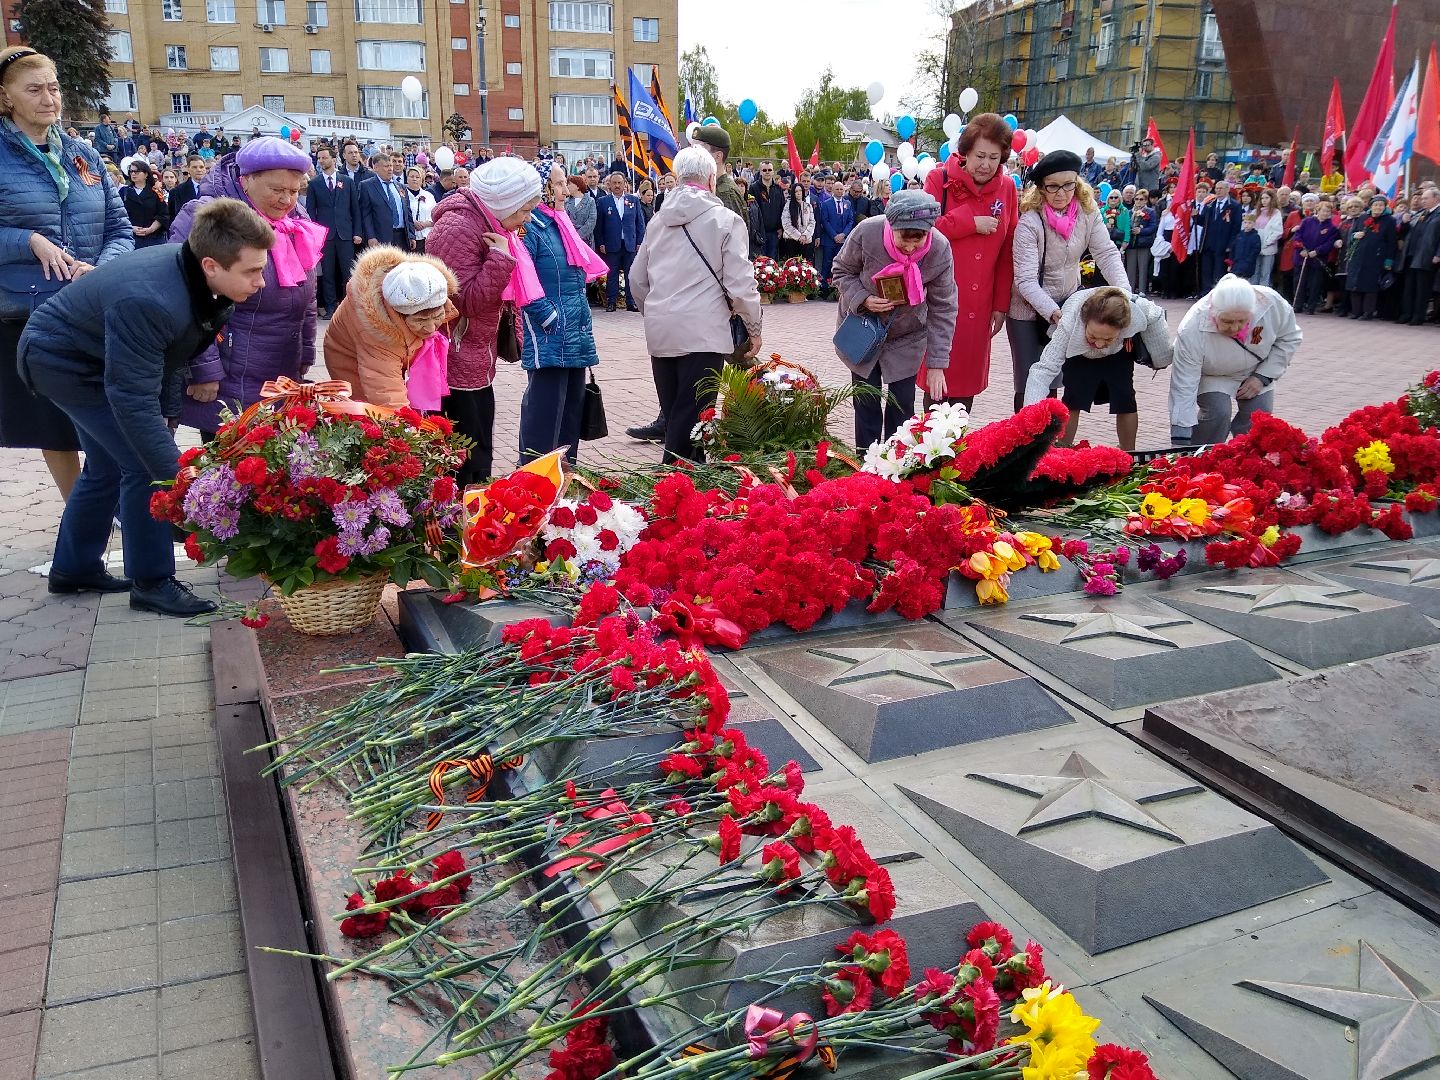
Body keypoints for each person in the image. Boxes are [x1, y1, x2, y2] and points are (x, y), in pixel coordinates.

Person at [19, 198, 271, 615]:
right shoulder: (152, 298)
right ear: (211, 264)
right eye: (252, 271)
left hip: (94, 357)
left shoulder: (193, 277)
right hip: (62, 363)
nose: (261, 281)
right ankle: (152, 582)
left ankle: (73, 569)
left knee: (106, 464)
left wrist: (168, 414)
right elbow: (131, 399)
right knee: (141, 464)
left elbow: (171, 353)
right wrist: (179, 478)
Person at [0, 45, 133, 503]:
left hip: (91, 305)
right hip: (27, 311)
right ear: (6, 97)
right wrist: (27, 240)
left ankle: (107, 500)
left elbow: (119, 227)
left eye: (53, 88)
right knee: (52, 423)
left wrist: (103, 268)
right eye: (33, 89)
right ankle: (83, 509)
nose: (48, 98)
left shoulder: (83, 154)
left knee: (107, 410)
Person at [170, 136, 322, 438]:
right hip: (227, 372)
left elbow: (307, 292)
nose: (286, 200)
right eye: (277, 190)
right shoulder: (208, 217)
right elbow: (187, 298)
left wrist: (305, 349)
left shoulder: (295, 220)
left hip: (279, 370)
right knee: (227, 470)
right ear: (247, 179)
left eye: (294, 191)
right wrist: (203, 369)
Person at [629, 144, 762, 463]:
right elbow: (740, 282)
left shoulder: (657, 221)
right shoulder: (726, 220)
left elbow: (636, 278)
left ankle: (689, 494)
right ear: (712, 179)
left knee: (678, 415)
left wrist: (656, 311)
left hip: (662, 332)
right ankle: (669, 493)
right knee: (691, 426)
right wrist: (753, 326)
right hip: (703, 331)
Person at [427, 157, 542, 485]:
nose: (528, 219)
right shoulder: (459, 227)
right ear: (503, 203)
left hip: (475, 353)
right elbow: (466, 301)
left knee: (479, 446)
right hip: (455, 357)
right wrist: (501, 258)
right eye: (523, 210)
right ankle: (460, 518)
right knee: (464, 453)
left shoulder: (488, 223)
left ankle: (474, 512)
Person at [832, 190, 958, 448]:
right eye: (904, 239)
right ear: (891, 225)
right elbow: (841, 270)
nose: (911, 247)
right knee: (866, 403)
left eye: (919, 239)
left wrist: (937, 363)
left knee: (902, 408)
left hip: (907, 336)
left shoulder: (940, 249)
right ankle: (865, 463)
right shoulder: (867, 233)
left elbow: (943, 308)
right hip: (864, 331)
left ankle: (895, 464)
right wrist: (863, 299)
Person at [1008, 149, 1129, 413]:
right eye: (1052, 187)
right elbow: (1025, 280)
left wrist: (1124, 293)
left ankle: (1047, 444)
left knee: (1055, 380)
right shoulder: (1030, 221)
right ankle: (1023, 442)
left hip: (1068, 303)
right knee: (1030, 381)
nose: (1061, 193)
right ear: (1040, 189)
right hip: (1028, 311)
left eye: (1068, 185)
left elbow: (1106, 253)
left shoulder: (1088, 212)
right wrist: (1054, 313)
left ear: (1078, 183)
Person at [921, 112, 1017, 411]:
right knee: (938, 379)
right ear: (965, 153)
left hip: (979, 303)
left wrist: (1001, 304)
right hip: (942, 298)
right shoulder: (940, 179)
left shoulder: (1008, 188)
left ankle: (957, 450)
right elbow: (922, 231)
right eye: (980, 156)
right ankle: (931, 450)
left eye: (994, 157)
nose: (986, 165)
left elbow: (1007, 251)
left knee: (965, 386)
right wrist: (969, 222)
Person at [517, 187, 605, 464]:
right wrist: (547, 316)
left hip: (574, 330)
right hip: (551, 334)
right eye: (558, 183)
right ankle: (534, 475)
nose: (566, 190)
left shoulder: (560, 223)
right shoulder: (529, 227)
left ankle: (565, 475)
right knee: (545, 413)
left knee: (570, 413)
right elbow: (520, 274)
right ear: (542, 190)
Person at [1022, 286, 1172, 450]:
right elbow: (1042, 371)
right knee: (1073, 399)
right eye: (1093, 336)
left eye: (1107, 338)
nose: (1099, 344)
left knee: (1125, 398)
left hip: (1118, 353)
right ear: (1085, 322)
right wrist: (1030, 414)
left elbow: (1156, 315)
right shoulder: (1069, 322)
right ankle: (1062, 449)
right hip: (1078, 352)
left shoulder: (1137, 311)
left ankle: (1129, 452)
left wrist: (1160, 359)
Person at [1170, 273, 1301, 444]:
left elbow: (1289, 338)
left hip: (1255, 370)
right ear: (1213, 312)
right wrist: (1180, 440)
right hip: (1213, 374)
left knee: (1258, 416)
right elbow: (1184, 387)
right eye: (1227, 321)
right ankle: (1200, 455)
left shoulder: (1271, 303)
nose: (1235, 327)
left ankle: (1247, 459)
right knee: (1218, 412)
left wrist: (1263, 377)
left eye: (1242, 320)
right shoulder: (1191, 328)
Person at [321, 249, 457, 410]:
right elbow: (386, 392)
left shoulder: (427, 286)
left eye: (436, 317)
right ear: (399, 313)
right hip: (350, 360)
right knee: (366, 411)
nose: (430, 328)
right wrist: (407, 429)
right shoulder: (376, 330)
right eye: (420, 320)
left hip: (387, 358)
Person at [307, 144, 361, 318]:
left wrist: (357, 232)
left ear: (333, 158)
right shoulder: (314, 184)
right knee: (328, 273)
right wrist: (315, 238)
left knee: (348, 272)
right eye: (319, 158)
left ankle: (349, 307)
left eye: (324, 157)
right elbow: (311, 213)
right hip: (325, 237)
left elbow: (355, 210)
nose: (322, 160)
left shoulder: (347, 181)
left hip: (345, 234)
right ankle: (330, 307)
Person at [595, 171, 645, 311]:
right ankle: (611, 302)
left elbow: (639, 223)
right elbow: (599, 226)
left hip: (630, 244)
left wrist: (639, 242)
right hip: (611, 244)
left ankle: (631, 302)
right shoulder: (603, 202)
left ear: (624, 184)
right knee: (612, 274)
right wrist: (601, 243)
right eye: (614, 183)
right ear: (609, 185)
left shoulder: (633, 200)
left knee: (631, 274)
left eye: (619, 183)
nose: (617, 185)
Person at [1344, 193, 1398, 320]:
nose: (1378, 207)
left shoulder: (1390, 221)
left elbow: (1392, 242)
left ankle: (1368, 312)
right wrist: (1354, 236)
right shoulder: (1363, 217)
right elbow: (1351, 234)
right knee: (1354, 284)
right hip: (1358, 256)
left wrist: (1389, 261)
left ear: (1385, 207)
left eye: (1381, 205)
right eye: (1375, 205)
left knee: (1370, 286)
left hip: (1376, 257)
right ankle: (1356, 311)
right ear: (1371, 206)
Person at [1292, 195, 1341, 314]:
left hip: (1318, 259)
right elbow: (1298, 236)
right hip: (1302, 256)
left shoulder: (1332, 228)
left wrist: (1317, 251)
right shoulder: (1307, 221)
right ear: (1318, 210)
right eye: (1323, 210)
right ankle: (1297, 305)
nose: (1325, 213)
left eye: (1328, 211)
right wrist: (1301, 248)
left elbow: (1329, 244)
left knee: (1315, 284)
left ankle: (1311, 306)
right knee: (1300, 281)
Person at [1399, 186, 1440, 324]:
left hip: (1427, 255)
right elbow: (1409, 231)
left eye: (1426, 198)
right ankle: (1407, 314)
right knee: (1408, 287)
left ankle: (1418, 316)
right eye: (1422, 198)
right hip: (1412, 255)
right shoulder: (1422, 213)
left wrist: (1438, 254)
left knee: (1422, 289)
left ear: (1436, 198)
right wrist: (1405, 223)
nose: (1423, 201)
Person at [358, 151, 415, 250]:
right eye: (386, 166)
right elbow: (365, 214)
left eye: (390, 166)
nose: (390, 169)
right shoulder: (366, 186)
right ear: (375, 168)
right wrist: (371, 236)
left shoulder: (401, 187)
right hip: (381, 237)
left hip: (402, 237)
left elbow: (407, 212)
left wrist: (411, 235)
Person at [1198, 180, 1241, 294]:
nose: (1218, 191)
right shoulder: (1210, 204)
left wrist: (1231, 244)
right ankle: (1206, 292)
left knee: (1219, 271)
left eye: (1221, 188)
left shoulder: (1234, 206)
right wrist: (1195, 216)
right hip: (1208, 243)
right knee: (1206, 270)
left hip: (1222, 244)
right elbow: (1203, 222)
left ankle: (1217, 294)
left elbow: (1236, 227)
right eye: (1216, 188)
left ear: (1227, 190)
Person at [816, 178, 854, 297]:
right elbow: (824, 221)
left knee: (840, 265)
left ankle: (838, 289)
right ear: (832, 189)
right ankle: (824, 288)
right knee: (827, 263)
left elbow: (850, 220)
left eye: (841, 189)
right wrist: (834, 235)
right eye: (837, 189)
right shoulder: (826, 204)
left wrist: (844, 234)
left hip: (842, 240)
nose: (839, 191)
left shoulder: (847, 203)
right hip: (829, 240)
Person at [122, 158, 169, 248]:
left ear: (146, 174)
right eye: (131, 171)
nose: (133, 174)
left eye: (137, 171)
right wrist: (131, 228)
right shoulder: (124, 192)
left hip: (152, 238)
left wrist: (151, 229)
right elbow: (118, 215)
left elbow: (163, 215)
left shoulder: (156, 193)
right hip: (129, 237)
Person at [749, 160, 786, 258]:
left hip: (774, 233)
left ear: (773, 171)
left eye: (769, 170)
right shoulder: (753, 188)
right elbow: (751, 211)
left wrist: (781, 227)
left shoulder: (778, 189)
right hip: (759, 233)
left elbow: (783, 209)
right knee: (760, 263)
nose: (767, 172)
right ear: (760, 172)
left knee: (772, 263)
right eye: (764, 170)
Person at [779, 175, 817, 261]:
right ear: (793, 193)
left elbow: (812, 222)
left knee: (805, 266)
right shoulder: (788, 205)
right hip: (791, 241)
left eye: (800, 191)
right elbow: (786, 224)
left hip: (806, 241)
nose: (799, 193)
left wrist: (805, 235)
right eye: (796, 191)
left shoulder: (808, 206)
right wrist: (799, 236)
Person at [1127, 189, 1157, 295]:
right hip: (1131, 244)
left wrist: (1141, 231)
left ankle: (1142, 291)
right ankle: (1129, 291)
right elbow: (1126, 225)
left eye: (1141, 199)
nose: (1138, 201)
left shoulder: (1150, 212)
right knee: (1130, 268)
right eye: (1137, 199)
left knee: (1143, 267)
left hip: (1144, 243)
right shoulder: (1129, 212)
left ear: (1145, 201)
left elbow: (1153, 227)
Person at [1252, 188, 1283, 288]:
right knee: (1255, 271)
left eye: (1266, 198)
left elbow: (1277, 231)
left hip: (1268, 247)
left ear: (1272, 199)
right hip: (1256, 246)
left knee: (1265, 273)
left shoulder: (1276, 213)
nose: (1264, 200)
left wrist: (1267, 242)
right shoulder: (1256, 212)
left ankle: (1264, 295)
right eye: (1262, 198)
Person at [405, 165, 437, 254]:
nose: (414, 179)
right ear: (407, 178)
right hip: (409, 239)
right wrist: (413, 222)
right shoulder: (402, 195)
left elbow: (435, 215)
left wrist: (426, 224)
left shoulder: (429, 196)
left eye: (417, 177)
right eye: (411, 176)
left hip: (426, 238)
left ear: (422, 180)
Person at [564, 175, 596, 246]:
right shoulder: (566, 202)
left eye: (569, 184)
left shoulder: (590, 201)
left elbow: (591, 221)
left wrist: (577, 236)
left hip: (585, 241)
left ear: (577, 186)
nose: (567, 186)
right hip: (569, 239)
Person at [1231, 213, 1261, 281]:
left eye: (1250, 223)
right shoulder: (1239, 235)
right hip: (1237, 264)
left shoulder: (1255, 237)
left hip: (1247, 265)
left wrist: (1248, 261)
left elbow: (1255, 251)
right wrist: (1231, 261)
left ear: (1254, 224)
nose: (1247, 225)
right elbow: (1233, 248)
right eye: (1245, 222)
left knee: (1244, 282)